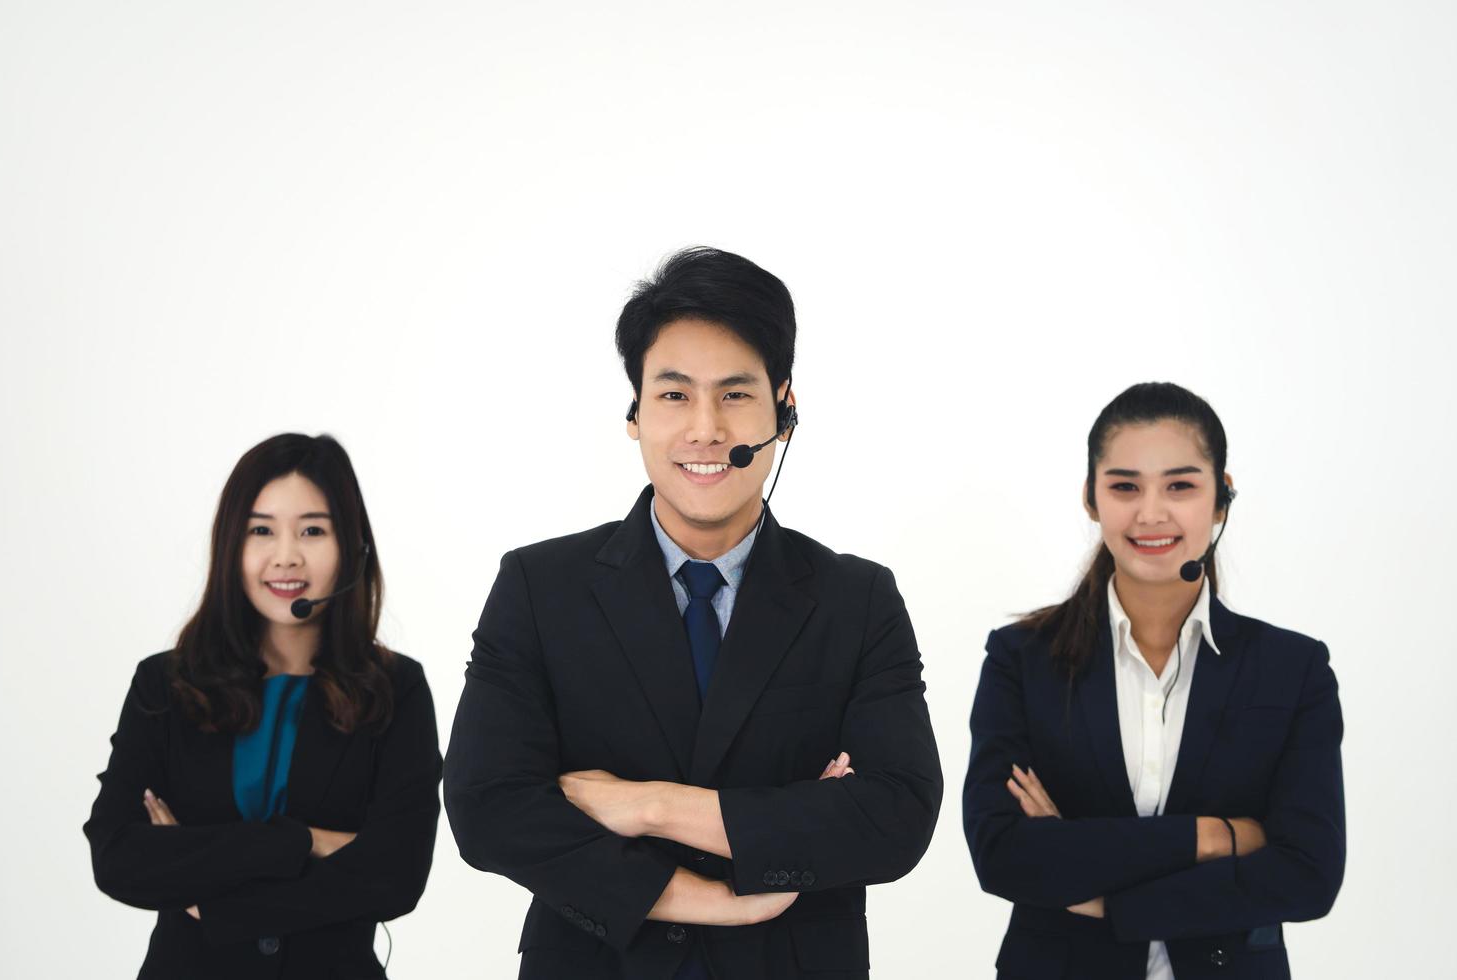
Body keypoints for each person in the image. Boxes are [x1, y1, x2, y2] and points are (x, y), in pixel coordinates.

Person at [444, 246, 943, 979]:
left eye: (735, 394)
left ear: (785, 410)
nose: (705, 429)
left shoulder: (857, 600)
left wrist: (647, 807)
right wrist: (713, 894)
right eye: (674, 395)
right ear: (634, 414)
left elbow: (894, 818)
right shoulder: (538, 586)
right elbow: (487, 808)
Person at [962, 382, 1345, 979]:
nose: (1150, 513)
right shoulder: (1021, 659)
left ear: (1221, 499)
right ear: (1091, 498)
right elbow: (1004, 855)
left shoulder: (1292, 671)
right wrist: (1212, 838)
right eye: (1124, 486)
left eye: (1181, 486)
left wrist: (1103, 888)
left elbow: (1308, 874)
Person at [85, 433, 441, 979]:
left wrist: (211, 892)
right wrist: (304, 841)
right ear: (231, 545)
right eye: (261, 530)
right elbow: (119, 858)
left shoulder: (396, 689)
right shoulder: (165, 684)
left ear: (352, 547)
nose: (286, 556)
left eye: (313, 531)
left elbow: (395, 875)